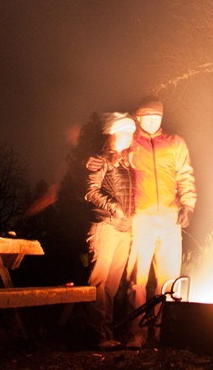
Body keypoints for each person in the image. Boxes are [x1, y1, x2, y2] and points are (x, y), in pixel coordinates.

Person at [127, 95, 195, 344]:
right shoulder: (130, 145)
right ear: (138, 118)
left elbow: (185, 174)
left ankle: (164, 332)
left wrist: (188, 205)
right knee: (137, 281)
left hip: (169, 219)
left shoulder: (175, 143)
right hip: (141, 219)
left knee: (169, 280)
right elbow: (115, 166)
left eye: (157, 117)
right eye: (148, 117)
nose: (153, 122)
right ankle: (137, 333)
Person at [83, 111, 138, 349]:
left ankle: (106, 334)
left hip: (124, 230)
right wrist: (114, 208)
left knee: (112, 286)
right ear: (113, 133)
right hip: (105, 226)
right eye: (124, 133)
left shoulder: (127, 163)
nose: (128, 137)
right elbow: (91, 192)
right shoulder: (100, 160)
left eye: (131, 133)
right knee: (99, 281)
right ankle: (96, 335)